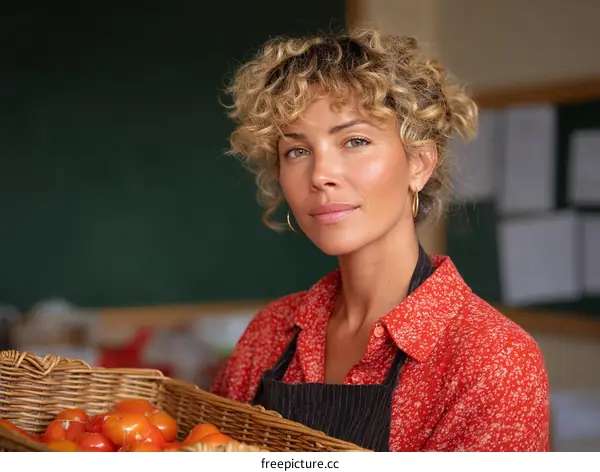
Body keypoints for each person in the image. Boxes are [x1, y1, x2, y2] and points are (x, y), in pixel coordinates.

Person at [211, 26, 550, 452]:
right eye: (297, 150)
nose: (320, 175)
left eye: (355, 141)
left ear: (419, 164)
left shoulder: (494, 361)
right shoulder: (270, 333)